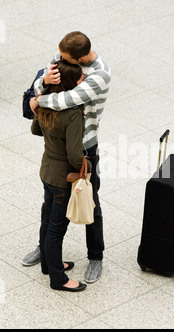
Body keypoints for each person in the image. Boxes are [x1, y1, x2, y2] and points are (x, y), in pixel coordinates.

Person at [22, 31, 111, 284]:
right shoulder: (66, 55)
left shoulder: (100, 75)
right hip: (58, 148)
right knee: (49, 204)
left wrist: (39, 100)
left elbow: (68, 100)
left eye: (65, 59)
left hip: (84, 149)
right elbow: (41, 81)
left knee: (90, 202)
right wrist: (41, 83)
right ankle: (46, 250)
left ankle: (95, 256)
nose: (58, 61)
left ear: (80, 59)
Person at [31, 59, 90, 292]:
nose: (83, 80)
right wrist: (88, 167)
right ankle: (58, 278)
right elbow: (75, 156)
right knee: (57, 229)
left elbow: (36, 129)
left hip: (46, 171)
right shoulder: (73, 113)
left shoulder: (46, 104)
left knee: (47, 220)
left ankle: (48, 264)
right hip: (63, 179)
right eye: (79, 78)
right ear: (70, 84)